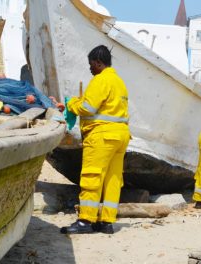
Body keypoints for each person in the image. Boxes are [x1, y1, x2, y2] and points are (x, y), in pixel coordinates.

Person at [60, 45, 130, 234]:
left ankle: (86, 221)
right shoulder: (119, 82)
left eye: (91, 65)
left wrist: (72, 103)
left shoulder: (101, 80)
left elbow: (88, 109)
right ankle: (107, 222)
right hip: (121, 136)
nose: (90, 69)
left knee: (92, 176)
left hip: (102, 136)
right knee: (113, 180)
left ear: (99, 63)